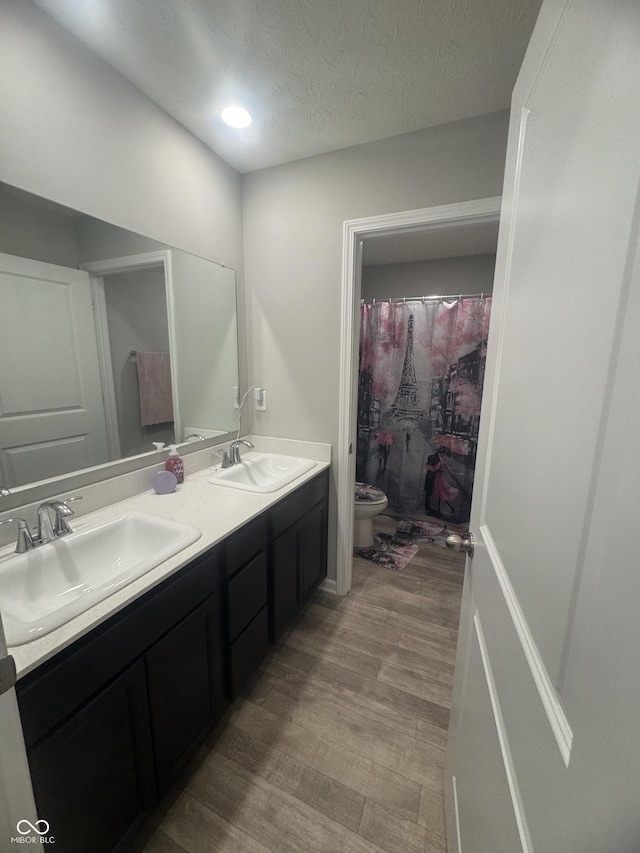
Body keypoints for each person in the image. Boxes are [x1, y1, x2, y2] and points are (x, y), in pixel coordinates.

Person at [424, 448, 458, 517]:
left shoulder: (443, 459)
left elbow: (446, 467)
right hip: (435, 478)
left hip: (440, 478)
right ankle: (433, 508)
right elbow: (432, 468)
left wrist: (449, 468)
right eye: (443, 454)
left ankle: (442, 508)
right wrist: (440, 464)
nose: (444, 455)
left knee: (442, 492)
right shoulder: (433, 457)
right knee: (438, 492)